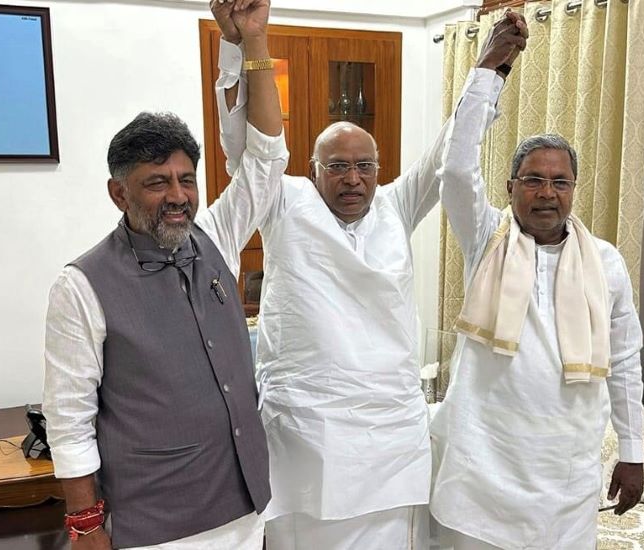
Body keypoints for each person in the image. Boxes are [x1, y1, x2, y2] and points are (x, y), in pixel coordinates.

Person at [210, 3, 530, 549]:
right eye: (337, 166)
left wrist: (489, 68)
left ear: (379, 171)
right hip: (308, 431)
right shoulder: (282, 200)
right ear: (313, 170)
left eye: (364, 166)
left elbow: (448, 150)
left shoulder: (395, 205)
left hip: (390, 433)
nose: (353, 179)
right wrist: (240, 44)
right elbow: (245, 148)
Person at [42, 2, 287, 548]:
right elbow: (69, 419)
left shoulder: (216, 236)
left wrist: (252, 40)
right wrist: (85, 526)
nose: (178, 196)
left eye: (186, 179)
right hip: (157, 527)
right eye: (157, 182)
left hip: (245, 511)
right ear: (119, 193)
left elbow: (267, 160)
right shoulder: (81, 286)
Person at [428, 12, 644, 550]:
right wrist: (488, 70)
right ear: (509, 188)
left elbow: (624, 360)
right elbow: (455, 170)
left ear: (573, 190)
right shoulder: (487, 240)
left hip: (565, 472)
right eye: (533, 180)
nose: (547, 193)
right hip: (483, 465)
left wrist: (633, 452)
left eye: (560, 182)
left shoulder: (606, 262)